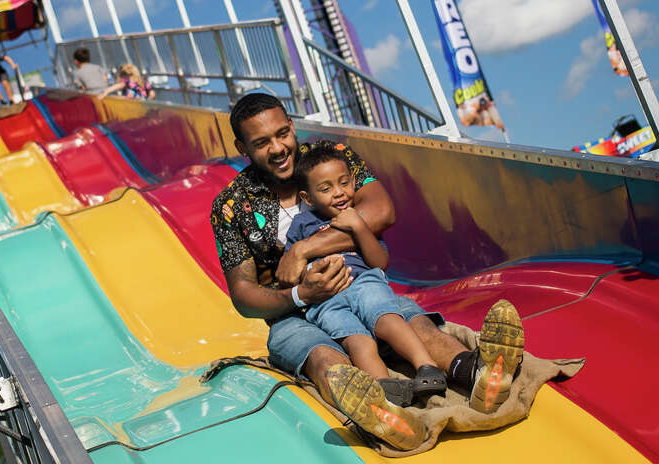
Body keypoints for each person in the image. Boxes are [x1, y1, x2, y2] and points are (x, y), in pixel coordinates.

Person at [210, 92, 525, 450]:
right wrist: (301, 293)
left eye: (283, 133)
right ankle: (386, 417)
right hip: (293, 313)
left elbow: (381, 212)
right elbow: (244, 295)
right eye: (262, 142)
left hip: (360, 283)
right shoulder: (231, 206)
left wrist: (304, 248)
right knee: (320, 356)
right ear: (242, 146)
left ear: (292, 126)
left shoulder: (331, 159)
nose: (279, 147)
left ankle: (477, 374)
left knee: (411, 321)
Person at [286, 146, 446, 400]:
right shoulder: (301, 225)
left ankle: (427, 367)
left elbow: (380, 262)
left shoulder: (358, 218)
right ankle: (384, 387)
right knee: (358, 340)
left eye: (344, 183)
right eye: (326, 189)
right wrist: (307, 275)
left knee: (387, 319)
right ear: (308, 198)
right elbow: (291, 271)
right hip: (325, 299)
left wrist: (359, 227)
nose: (339, 193)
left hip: (364, 282)